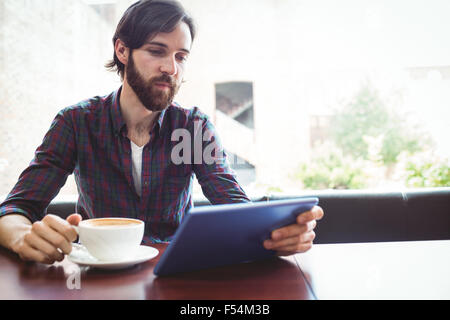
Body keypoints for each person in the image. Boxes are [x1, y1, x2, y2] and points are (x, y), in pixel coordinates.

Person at [0, 0, 323, 265]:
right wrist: (21, 236)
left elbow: (233, 204)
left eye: (181, 57)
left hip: (174, 272)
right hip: (97, 272)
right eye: (157, 51)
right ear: (122, 51)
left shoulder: (193, 127)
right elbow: (14, 209)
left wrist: (277, 235)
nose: (172, 68)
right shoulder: (77, 123)